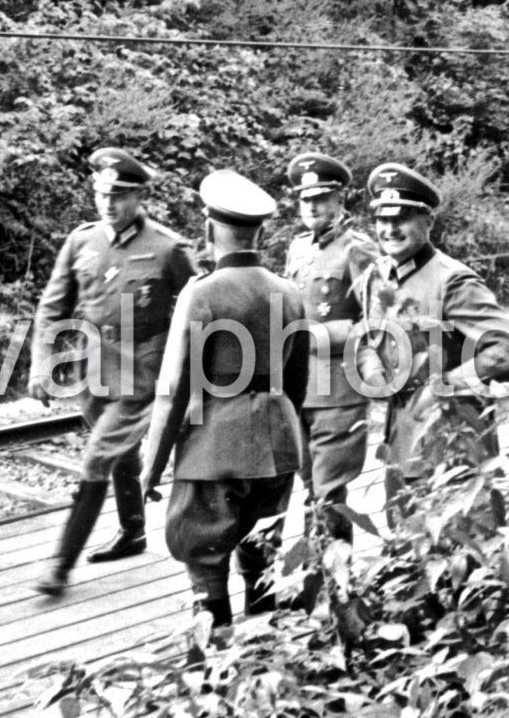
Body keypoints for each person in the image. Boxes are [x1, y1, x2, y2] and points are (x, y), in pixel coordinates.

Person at [143, 170, 310, 634]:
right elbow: (297, 384)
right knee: (263, 560)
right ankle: (264, 664)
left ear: (209, 229)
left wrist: (151, 468)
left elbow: (174, 389)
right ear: (261, 232)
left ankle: (211, 675)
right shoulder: (289, 292)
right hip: (277, 447)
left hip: (215, 449)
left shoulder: (202, 294)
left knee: (204, 561)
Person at [28, 148, 199, 598]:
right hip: (92, 372)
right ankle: (134, 530)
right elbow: (53, 305)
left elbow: (201, 306)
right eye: (102, 193)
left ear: (140, 195)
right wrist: (43, 362)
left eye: (120, 195)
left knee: (97, 457)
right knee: (119, 451)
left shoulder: (167, 248)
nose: (109, 202)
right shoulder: (81, 241)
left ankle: (59, 567)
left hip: (141, 376)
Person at [353, 163, 509, 511]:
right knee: (404, 543)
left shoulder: (454, 281)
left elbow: (507, 352)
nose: (389, 229)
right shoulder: (377, 276)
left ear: (428, 222)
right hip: (400, 441)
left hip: (454, 442)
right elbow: (369, 338)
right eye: (382, 220)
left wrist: (441, 386)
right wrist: (374, 373)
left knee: (466, 549)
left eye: (401, 218)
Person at [280, 152, 378, 546]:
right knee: (311, 489)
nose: (313, 207)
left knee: (328, 494)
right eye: (305, 200)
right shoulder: (298, 247)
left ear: (341, 200)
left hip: (338, 391)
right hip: (300, 388)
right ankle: (316, 587)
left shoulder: (358, 249)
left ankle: (328, 595)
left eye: (322, 198)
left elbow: (379, 326)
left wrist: (323, 335)